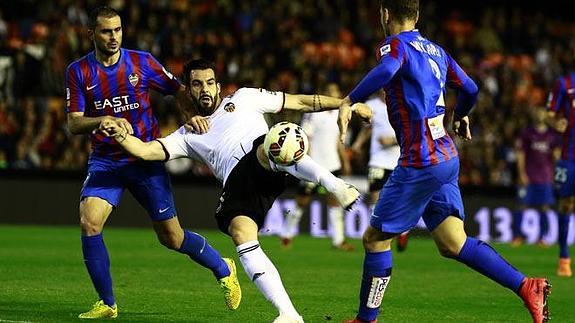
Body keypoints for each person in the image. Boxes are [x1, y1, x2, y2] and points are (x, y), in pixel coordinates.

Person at [99, 59, 369, 323]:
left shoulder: (245, 98)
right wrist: (119, 134)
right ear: (187, 90)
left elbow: (299, 101)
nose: (204, 89)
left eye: (209, 83)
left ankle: (335, 185)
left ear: (219, 86)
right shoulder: (187, 135)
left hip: (265, 157)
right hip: (239, 185)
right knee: (242, 236)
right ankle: (289, 314)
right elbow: (146, 152)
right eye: (196, 84)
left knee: (276, 140)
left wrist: (345, 103)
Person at [337, 1, 550, 322]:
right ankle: (526, 286)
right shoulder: (437, 51)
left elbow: (387, 69)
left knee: (374, 238)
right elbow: (471, 87)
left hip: (420, 160)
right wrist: (461, 114)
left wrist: (349, 100)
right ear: (417, 16)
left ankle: (366, 320)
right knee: (453, 243)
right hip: (446, 155)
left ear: (384, 14)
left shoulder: (394, 45)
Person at [65, 7, 240, 319]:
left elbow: (179, 91)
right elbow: (74, 123)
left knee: (172, 238)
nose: (113, 37)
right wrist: (102, 120)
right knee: (89, 222)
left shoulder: (141, 62)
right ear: (90, 34)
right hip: (106, 161)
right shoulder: (78, 72)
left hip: (145, 159)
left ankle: (222, 265)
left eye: (117, 30)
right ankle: (107, 303)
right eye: (106, 31)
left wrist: (193, 116)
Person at [280, 82, 355, 251]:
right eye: (330, 92)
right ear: (324, 94)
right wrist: (308, 162)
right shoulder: (313, 114)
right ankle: (286, 234)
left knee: (335, 201)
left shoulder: (339, 113)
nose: (333, 94)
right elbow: (306, 138)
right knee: (302, 201)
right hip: (314, 165)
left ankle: (338, 240)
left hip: (333, 164)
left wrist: (345, 161)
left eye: (336, 92)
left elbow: (338, 142)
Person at [351, 92, 404, 251]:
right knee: (375, 197)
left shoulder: (403, 103)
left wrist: (393, 141)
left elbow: (412, 131)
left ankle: (403, 232)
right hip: (378, 160)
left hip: (399, 160)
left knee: (399, 201)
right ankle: (375, 234)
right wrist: (358, 144)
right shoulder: (371, 105)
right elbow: (367, 129)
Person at [512, 106, 560, 247]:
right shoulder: (527, 133)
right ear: (534, 114)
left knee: (545, 207)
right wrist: (522, 173)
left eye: (542, 112)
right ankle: (517, 236)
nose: (539, 114)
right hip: (529, 176)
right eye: (537, 111)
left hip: (545, 177)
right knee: (521, 205)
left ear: (546, 115)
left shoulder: (552, 135)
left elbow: (556, 156)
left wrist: (555, 173)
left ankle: (542, 238)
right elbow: (521, 154)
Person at [547, 68, 575, 277]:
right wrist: (556, 123)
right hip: (569, 157)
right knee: (566, 204)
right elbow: (549, 115)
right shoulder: (564, 82)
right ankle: (564, 257)